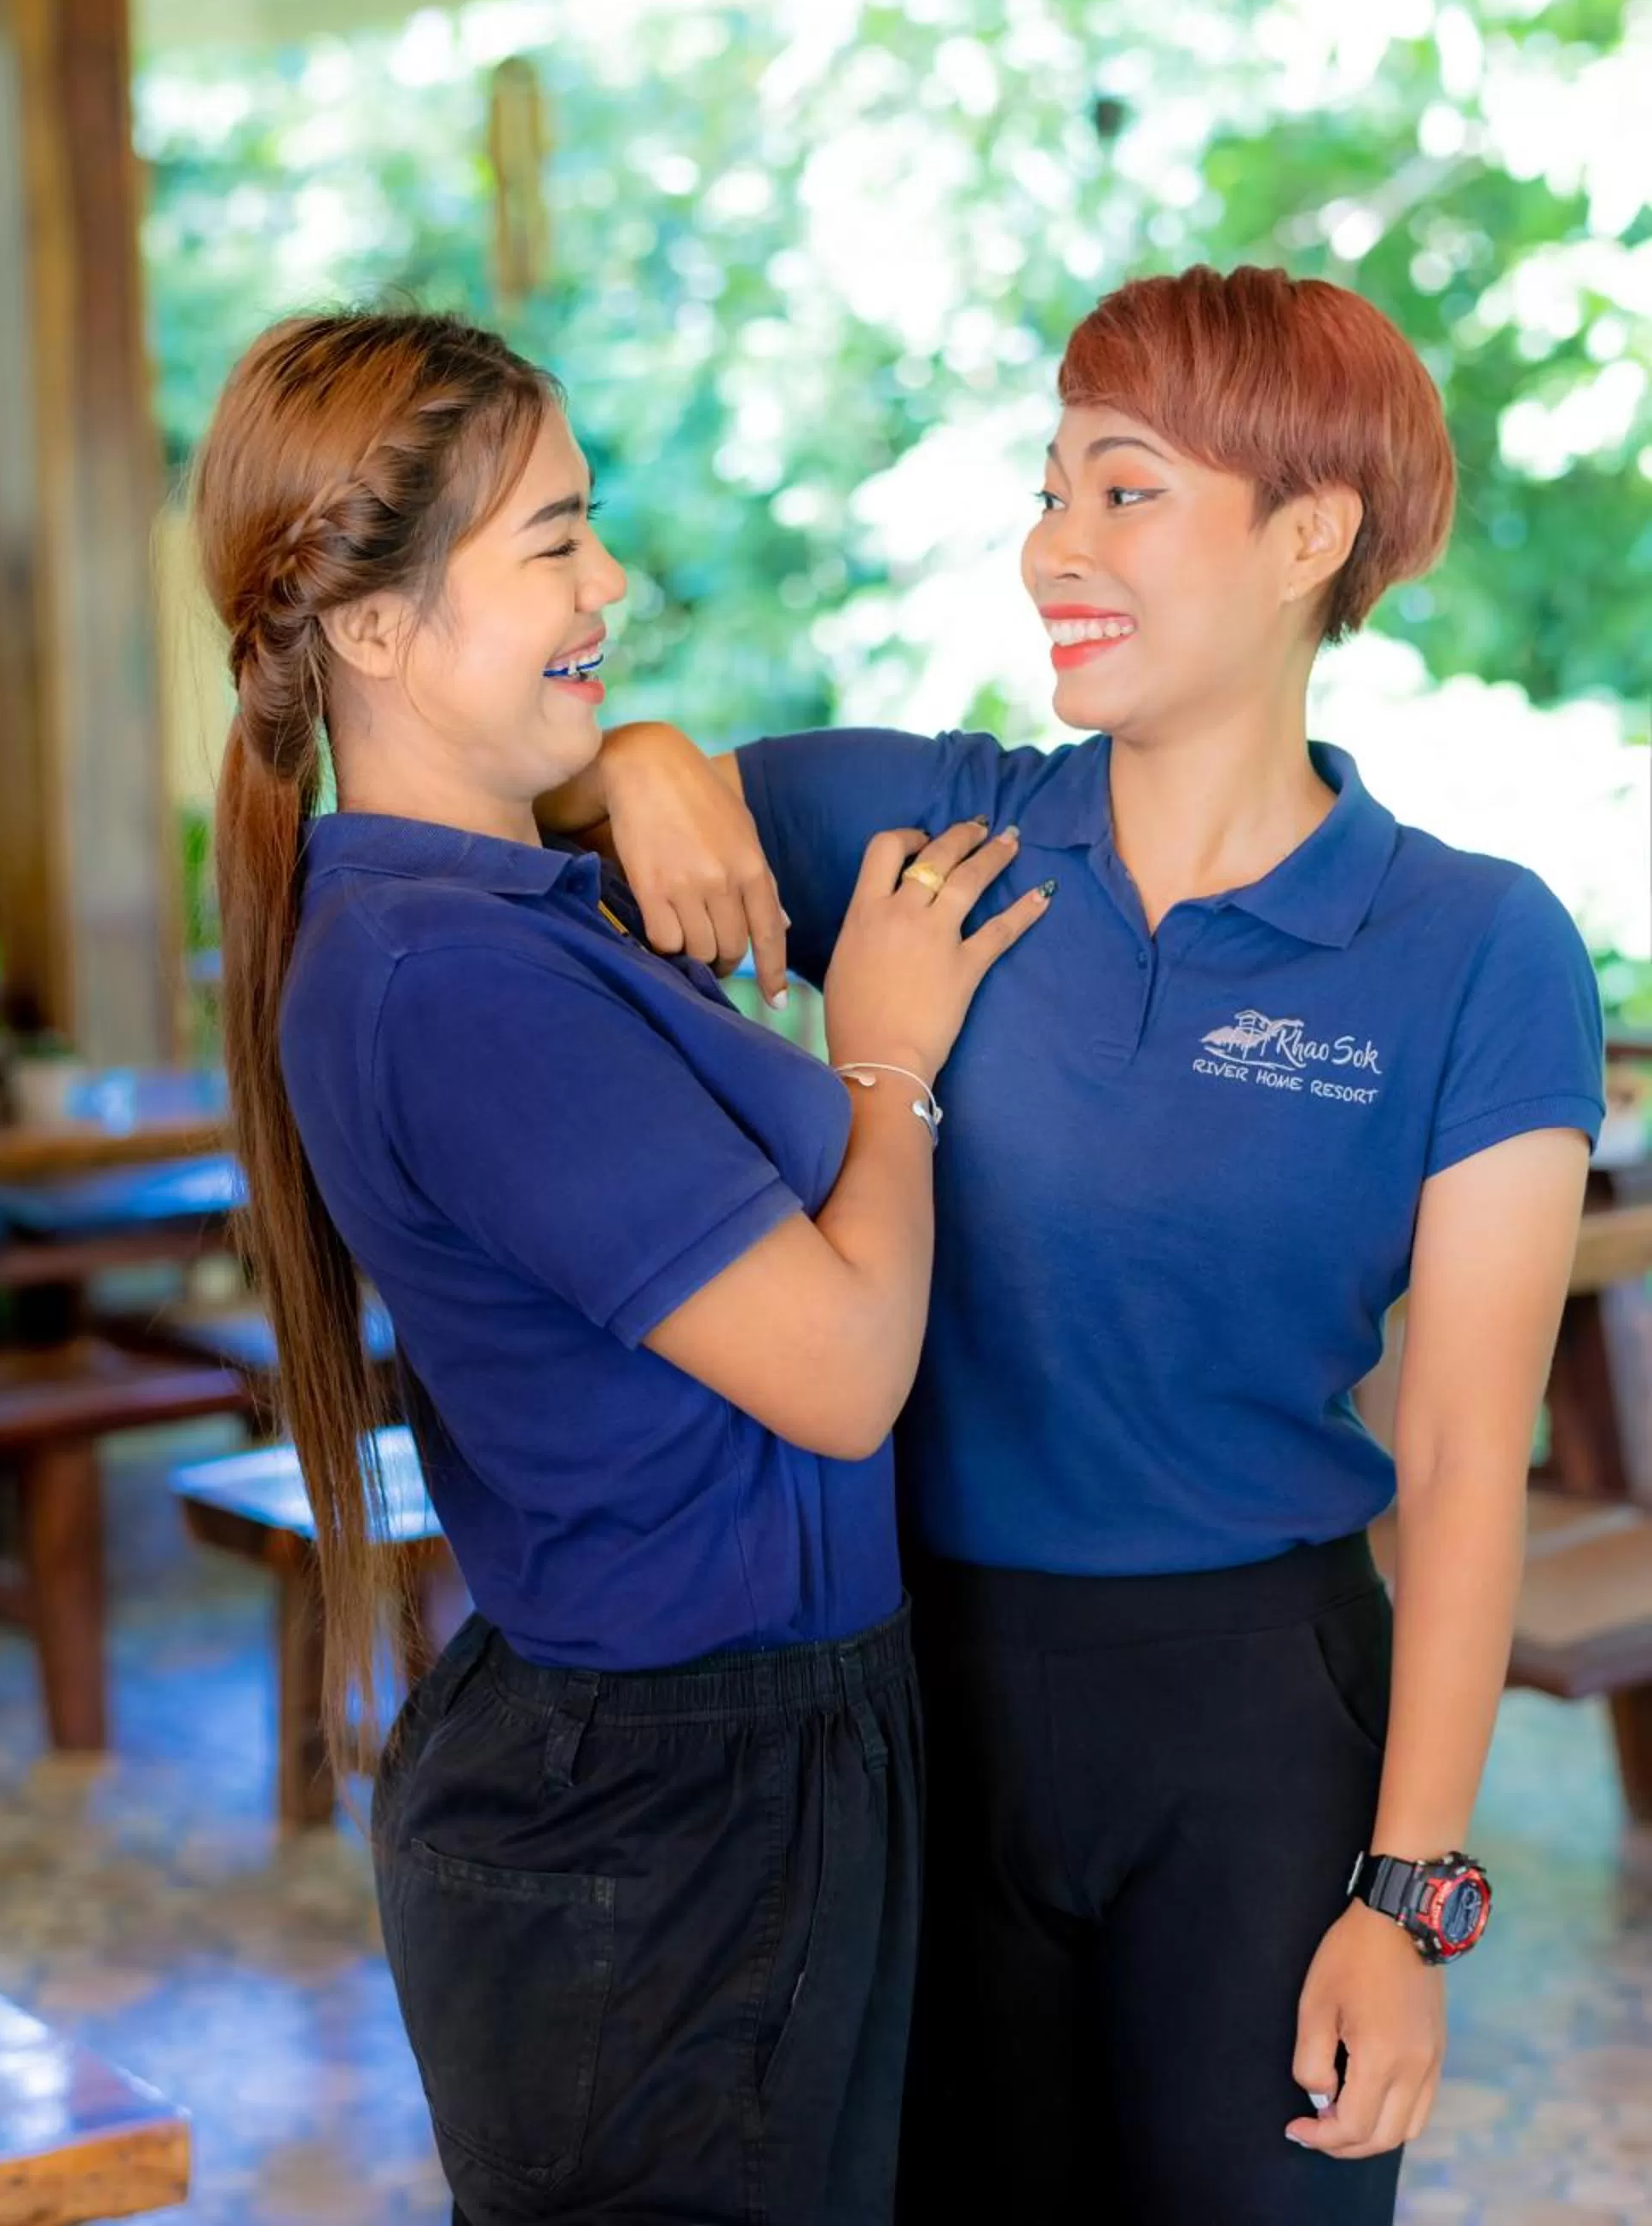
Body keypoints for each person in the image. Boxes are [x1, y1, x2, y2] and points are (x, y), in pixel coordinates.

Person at [542, 266, 1605, 2223]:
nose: (1052, 549)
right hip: (907, 1702)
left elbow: (1465, 1460)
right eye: (1048, 491)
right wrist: (644, 759)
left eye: (1122, 492)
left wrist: (1409, 1893)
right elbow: (541, 821)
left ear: (1309, 534)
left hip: (1258, 1729)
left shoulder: (1471, 946)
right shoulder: (917, 834)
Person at [193, 309, 1052, 2226]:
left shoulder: (472, 911)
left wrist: (638, 758)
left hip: (730, 1755)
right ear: (377, 628)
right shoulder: (452, 988)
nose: (615, 581)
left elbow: (557, 811)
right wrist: (889, 1058)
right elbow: (836, 1375)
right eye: (554, 542)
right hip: (667, 1802)